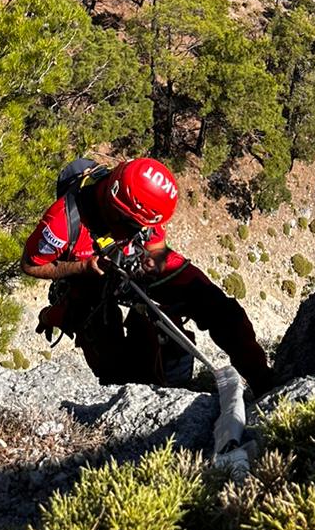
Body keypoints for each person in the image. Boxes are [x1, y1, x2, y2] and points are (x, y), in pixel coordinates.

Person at [21, 156, 275, 396]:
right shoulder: (61, 223)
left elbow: (156, 246)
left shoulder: (146, 206)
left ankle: (264, 382)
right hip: (88, 276)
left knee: (217, 307)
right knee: (113, 365)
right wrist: (83, 268)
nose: (143, 229)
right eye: (136, 226)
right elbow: (31, 265)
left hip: (135, 262)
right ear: (118, 210)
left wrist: (153, 279)